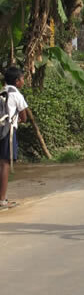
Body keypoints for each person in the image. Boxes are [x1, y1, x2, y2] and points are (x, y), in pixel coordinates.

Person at [1, 66, 28, 209]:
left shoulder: (2, 91)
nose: (23, 81)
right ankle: (2, 200)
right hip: (8, 132)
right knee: (5, 164)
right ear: (17, 81)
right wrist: (17, 121)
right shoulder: (17, 95)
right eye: (22, 79)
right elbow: (24, 117)